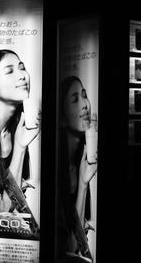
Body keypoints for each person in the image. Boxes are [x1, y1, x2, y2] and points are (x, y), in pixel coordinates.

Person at [0, 49, 41, 239]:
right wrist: (19, 148)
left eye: (22, 68)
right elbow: (3, 211)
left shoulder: (21, 129)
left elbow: (17, 205)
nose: (22, 76)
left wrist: (21, 145)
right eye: (10, 71)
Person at [57, 76, 97, 263]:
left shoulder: (87, 159)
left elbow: (76, 244)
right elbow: (69, 247)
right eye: (75, 99)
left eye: (84, 95)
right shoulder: (55, 164)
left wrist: (83, 184)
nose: (84, 105)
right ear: (62, 119)